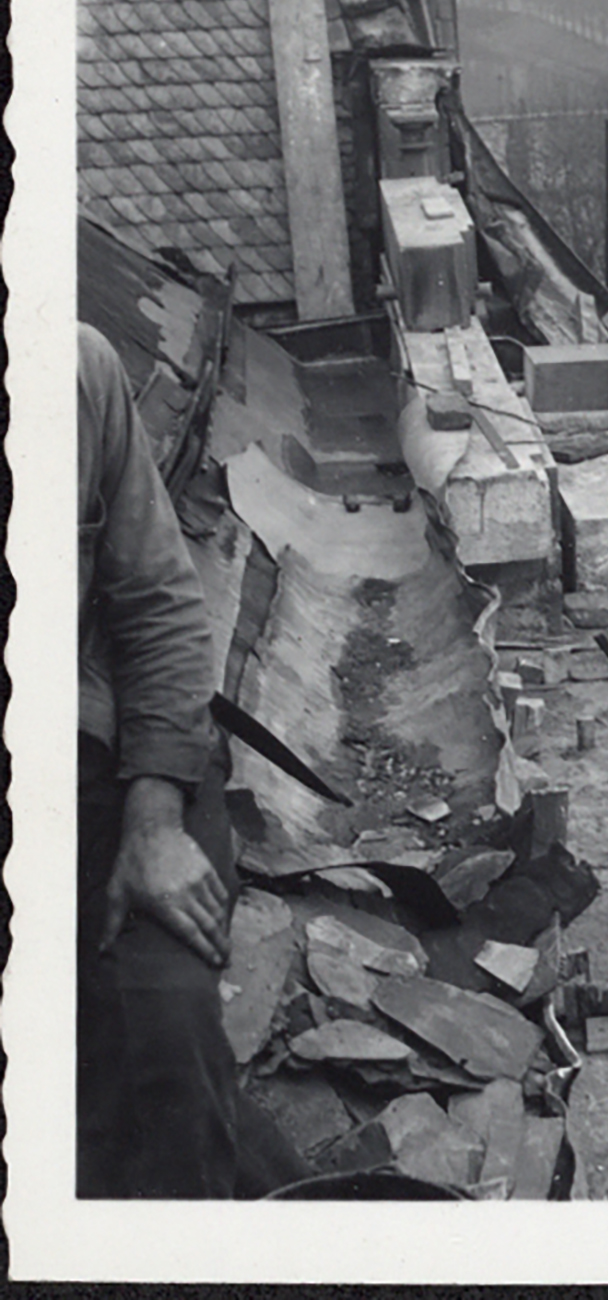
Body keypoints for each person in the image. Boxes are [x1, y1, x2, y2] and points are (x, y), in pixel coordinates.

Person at [77, 322, 305, 1198]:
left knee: (164, 1029)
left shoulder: (78, 371)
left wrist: (155, 822)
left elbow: (163, 606)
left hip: (112, 773)